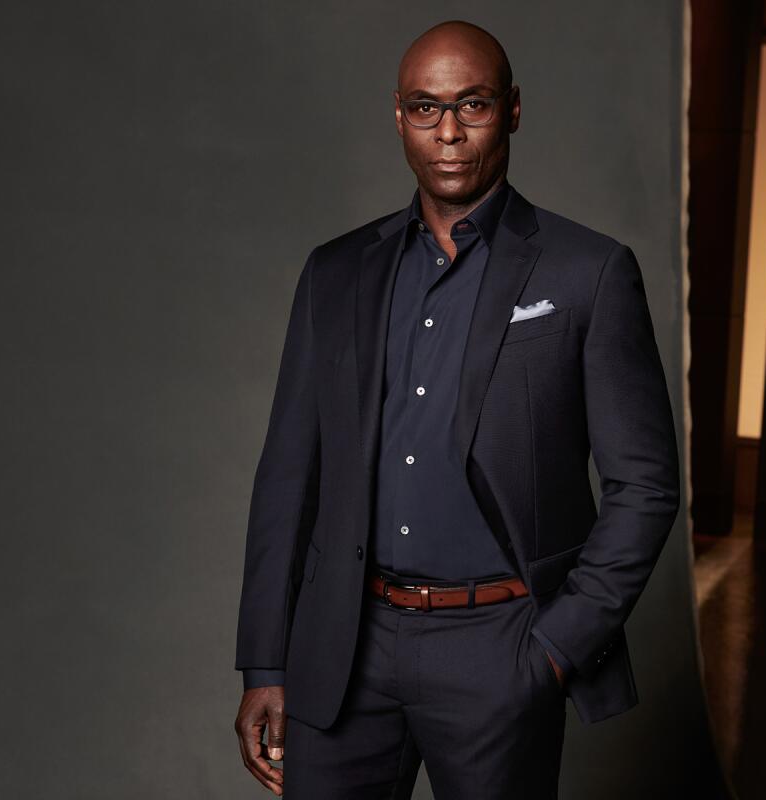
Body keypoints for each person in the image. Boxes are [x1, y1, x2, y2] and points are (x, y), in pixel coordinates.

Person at [233, 18, 679, 799]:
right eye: (424, 107)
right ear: (398, 114)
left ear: (511, 109)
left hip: (500, 646)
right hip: (345, 649)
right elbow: (287, 476)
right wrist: (267, 662)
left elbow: (645, 486)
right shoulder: (336, 272)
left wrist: (554, 648)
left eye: (471, 106)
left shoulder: (589, 272)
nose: (447, 132)